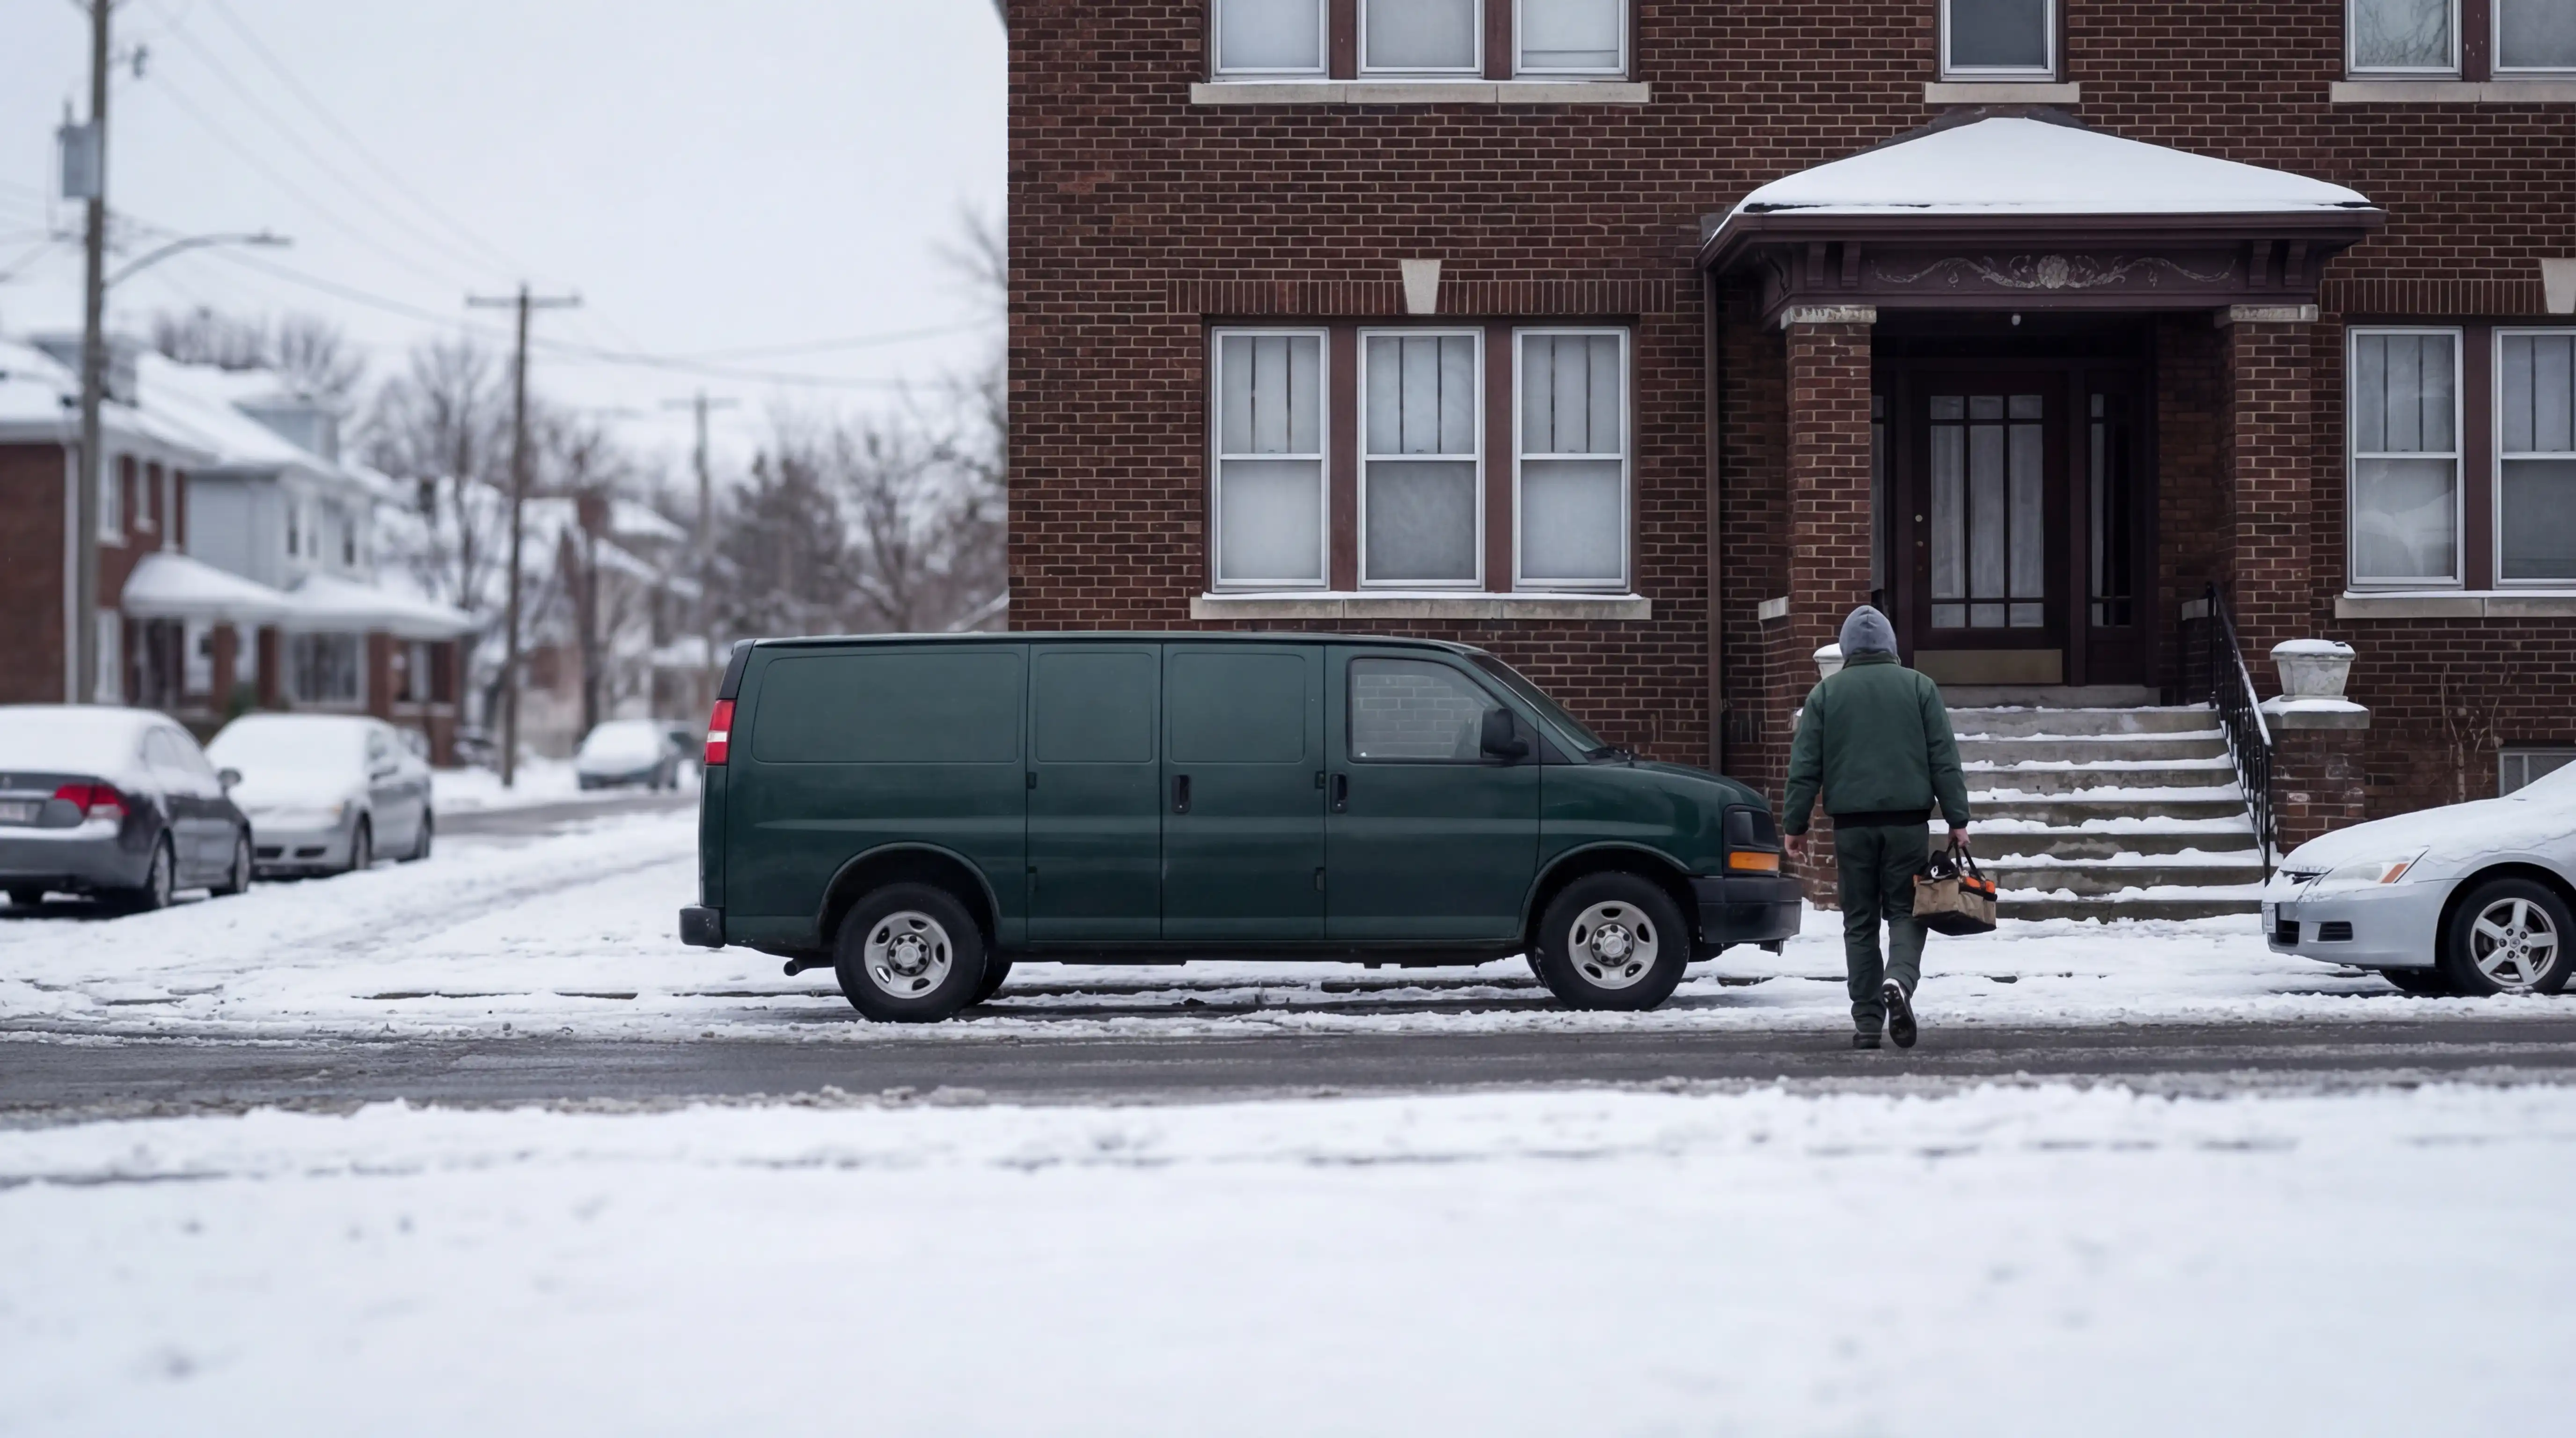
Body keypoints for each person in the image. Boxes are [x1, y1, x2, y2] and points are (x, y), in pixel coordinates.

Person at [1781, 606, 1972, 1051]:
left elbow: (1805, 766)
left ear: (1847, 650)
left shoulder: (1826, 695)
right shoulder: (1919, 687)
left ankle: (1868, 1022)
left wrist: (1796, 823)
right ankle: (1899, 981)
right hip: (1907, 824)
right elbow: (1944, 757)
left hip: (1851, 828)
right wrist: (1957, 820)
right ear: (1891, 646)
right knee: (1907, 912)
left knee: (1860, 922)